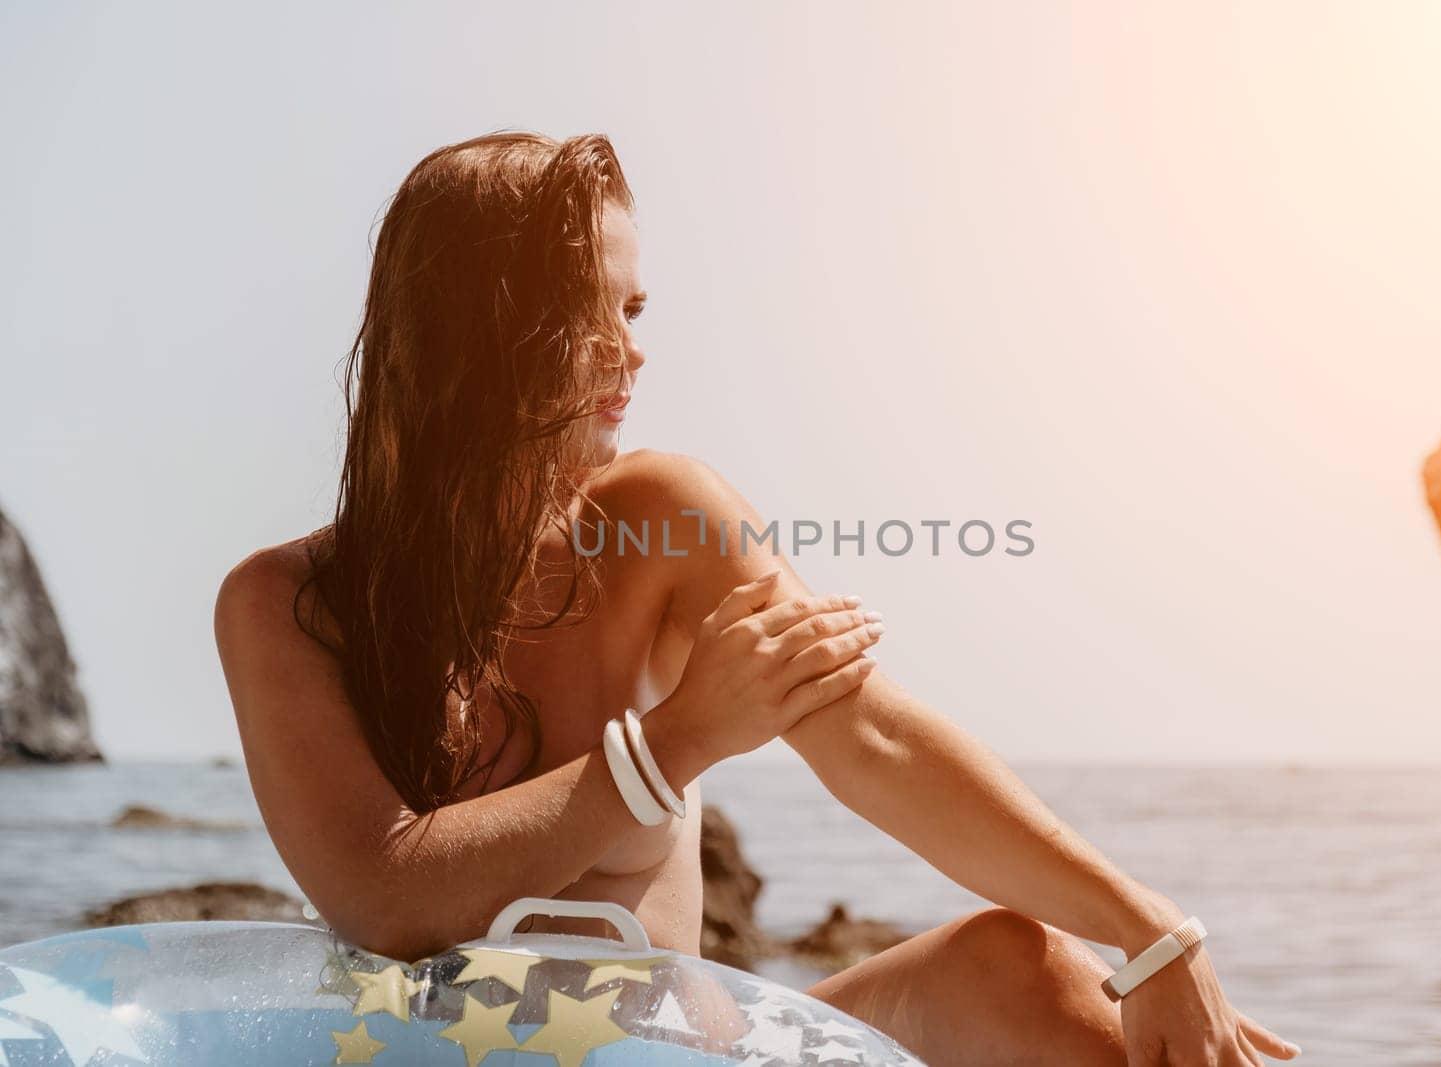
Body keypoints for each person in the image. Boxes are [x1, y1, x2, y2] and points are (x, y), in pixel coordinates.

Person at [213, 130, 1301, 1066]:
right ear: (471, 336)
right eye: (588, 315)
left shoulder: (660, 520)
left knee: (1012, 966)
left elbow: (875, 739)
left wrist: (1150, 930)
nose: (630, 352)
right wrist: (675, 741)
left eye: (634, 308)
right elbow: (387, 895)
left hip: (685, 1055)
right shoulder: (286, 604)